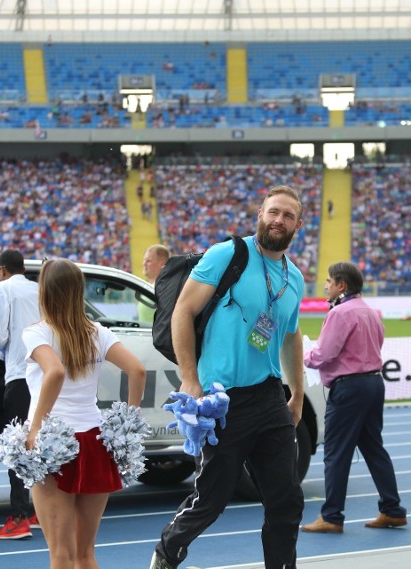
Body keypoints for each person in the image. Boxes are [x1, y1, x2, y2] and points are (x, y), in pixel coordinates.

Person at [149, 185, 306, 569]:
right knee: (212, 500)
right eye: (273, 212)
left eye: (287, 215)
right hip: (223, 399)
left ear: (298, 225)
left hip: (269, 398)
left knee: (286, 499)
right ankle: (168, 550)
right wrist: (189, 378)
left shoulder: (295, 278)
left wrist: (297, 392)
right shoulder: (228, 255)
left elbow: (289, 336)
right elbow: (182, 311)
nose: (278, 220)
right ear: (260, 213)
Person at [24, 258, 146, 569]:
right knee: (85, 553)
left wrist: (36, 427)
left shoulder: (37, 332)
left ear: (45, 292)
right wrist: (127, 428)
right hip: (94, 441)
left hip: (54, 447)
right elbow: (137, 370)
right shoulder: (98, 332)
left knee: (61, 555)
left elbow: (54, 373)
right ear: (79, 291)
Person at [300, 262, 406, 534]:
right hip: (373, 384)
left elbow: (324, 354)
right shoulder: (371, 312)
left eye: (328, 281)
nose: (325, 286)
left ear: (341, 285)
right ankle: (392, 510)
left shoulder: (340, 313)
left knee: (336, 453)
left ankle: (332, 517)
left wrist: (300, 356)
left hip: (349, 388)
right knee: (374, 449)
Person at [0, 250, 41, 540]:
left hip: (18, 375)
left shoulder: (0, 289)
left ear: (3, 270)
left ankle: (19, 516)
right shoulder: (39, 289)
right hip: (43, 376)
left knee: (17, 448)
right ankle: (39, 511)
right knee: (41, 444)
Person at [137, 244, 170, 324]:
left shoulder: (164, 289)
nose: (144, 263)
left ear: (162, 264)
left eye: (148, 261)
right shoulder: (150, 287)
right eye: (144, 260)